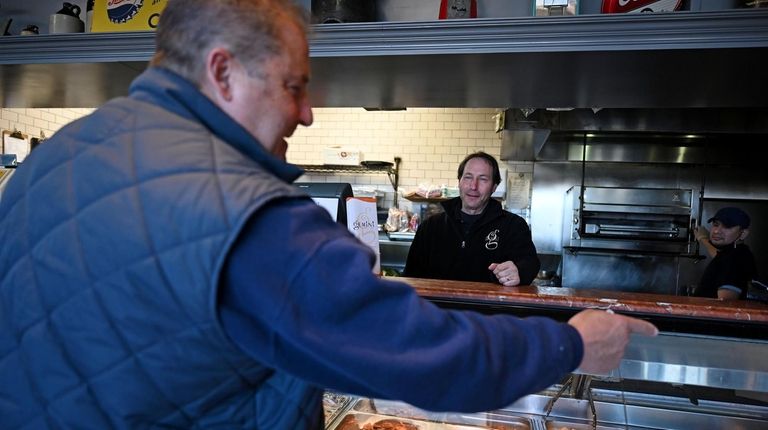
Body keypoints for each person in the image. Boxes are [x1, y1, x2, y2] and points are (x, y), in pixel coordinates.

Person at [0, 1, 657, 428]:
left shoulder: (55, 158)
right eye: (294, 85)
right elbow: (425, 356)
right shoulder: (249, 213)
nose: (306, 112)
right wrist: (573, 343)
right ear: (222, 72)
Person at [404, 152, 540, 286]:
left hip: (491, 307)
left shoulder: (513, 225)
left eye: (483, 179)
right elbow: (411, 276)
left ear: (494, 187)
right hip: (438, 307)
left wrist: (519, 271)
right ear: (459, 182)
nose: (473, 186)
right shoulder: (431, 226)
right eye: (468, 177)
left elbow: (530, 263)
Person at [693, 206, 757, 300]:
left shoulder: (736, 258)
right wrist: (704, 239)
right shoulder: (735, 252)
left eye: (727, 226)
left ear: (743, 233)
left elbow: (726, 304)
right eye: (715, 224)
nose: (716, 231)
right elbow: (720, 259)